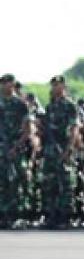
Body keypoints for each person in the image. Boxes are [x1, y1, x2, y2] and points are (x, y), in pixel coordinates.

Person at [41, 75, 81, 230]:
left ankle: (65, 216)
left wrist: (69, 148)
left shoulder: (70, 105)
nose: (55, 87)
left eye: (58, 85)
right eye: (53, 85)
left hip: (64, 148)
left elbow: (74, 128)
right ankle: (52, 215)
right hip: (51, 149)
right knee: (49, 182)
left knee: (65, 183)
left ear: (64, 87)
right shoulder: (50, 107)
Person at [0, 73, 34, 229]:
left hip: (16, 148)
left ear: (13, 84)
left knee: (16, 181)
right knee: (3, 182)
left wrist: (16, 147)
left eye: (8, 82)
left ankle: (17, 215)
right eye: (3, 82)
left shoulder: (20, 104)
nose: (5, 85)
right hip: (1, 148)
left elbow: (28, 130)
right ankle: (4, 215)